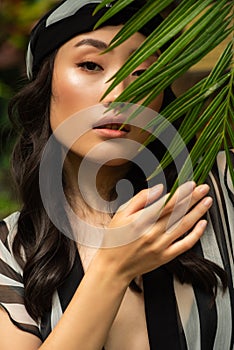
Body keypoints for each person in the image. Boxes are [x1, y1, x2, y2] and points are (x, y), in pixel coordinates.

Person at [0, 1, 233, 349]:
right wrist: (113, 268)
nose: (120, 92)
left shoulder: (222, 187)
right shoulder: (11, 249)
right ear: (45, 86)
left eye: (142, 73)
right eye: (90, 65)